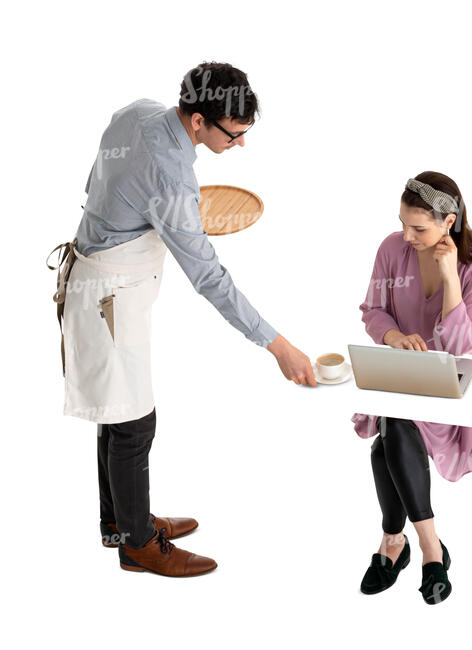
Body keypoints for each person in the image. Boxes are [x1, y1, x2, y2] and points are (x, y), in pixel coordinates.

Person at [50, 62, 317, 578]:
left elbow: (99, 182)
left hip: (95, 278)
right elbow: (210, 279)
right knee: (133, 422)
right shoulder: (171, 178)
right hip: (110, 297)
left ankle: (119, 523)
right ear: (197, 121)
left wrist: (162, 214)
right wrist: (279, 346)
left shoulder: (137, 111)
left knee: (117, 409)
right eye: (234, 134)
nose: (240, 145)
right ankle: (138, 546)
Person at [352, 171, 472, 604]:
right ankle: (430, 548)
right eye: (402, 223)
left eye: (418, 227)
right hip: (399, 380)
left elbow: (463, 349)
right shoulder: (390, 250)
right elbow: (373, 310)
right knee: (393, 425)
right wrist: (394, 337)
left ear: (448, 222)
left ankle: (394, 541)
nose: (405, 235)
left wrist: (450, 278)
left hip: (444, 388)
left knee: (386, 440)